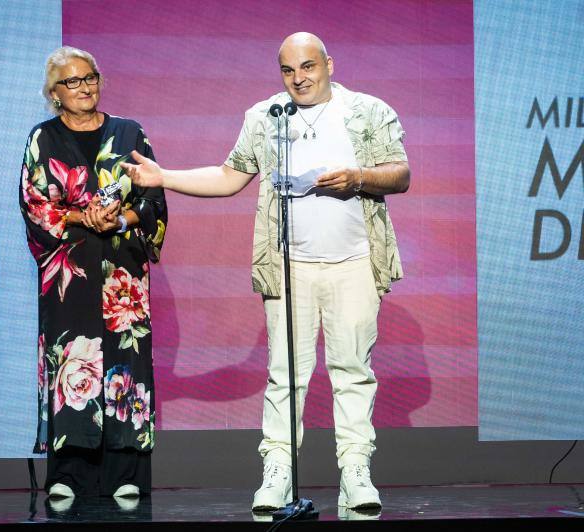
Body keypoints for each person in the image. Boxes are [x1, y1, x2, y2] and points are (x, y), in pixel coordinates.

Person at [121, 32, 409, 511]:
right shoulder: (266, 117)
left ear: (329, 65)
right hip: (288, 265)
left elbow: (400, 173)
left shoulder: (368, 111)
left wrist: (357, 178)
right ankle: (277, 472)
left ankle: (356, 471)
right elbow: (230, 176)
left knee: (353, 371)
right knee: (285, 374)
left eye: (308, 67)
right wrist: (162, 176)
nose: (299, 78)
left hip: (356, 262)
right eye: (289, 70)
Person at [20, 46, 167, 500]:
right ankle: (69, 475)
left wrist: (122, 220)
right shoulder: (42, 138)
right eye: (72, 82)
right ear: (54, 93)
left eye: (90, 78)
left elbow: (153, 198)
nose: (84, 88)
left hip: (122, 272)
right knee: (71, 361)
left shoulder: (130, 133)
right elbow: (34, 202)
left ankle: (126, 475)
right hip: (70, 272)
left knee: (127, 364)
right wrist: (86, 218)